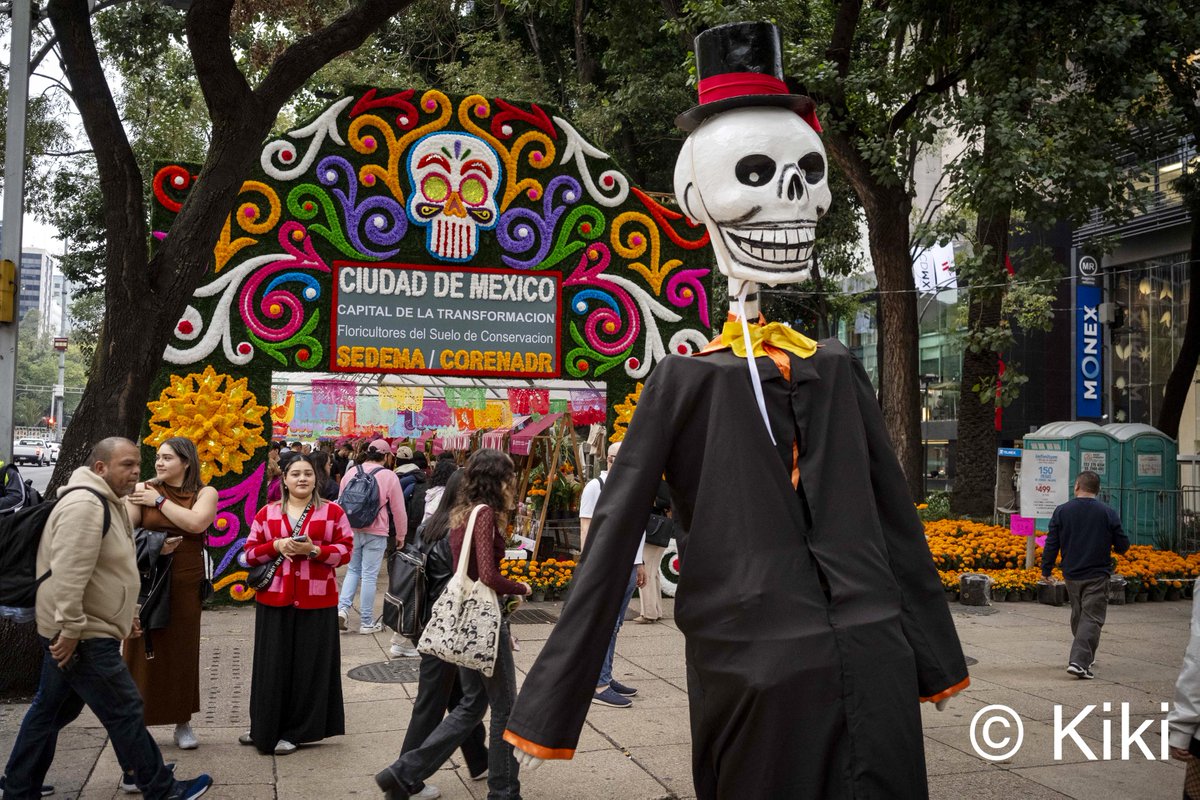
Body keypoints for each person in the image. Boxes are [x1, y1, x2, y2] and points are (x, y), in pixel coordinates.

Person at [504, 23, 968, 799]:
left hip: (858, 670)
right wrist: (554, 701)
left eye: (807, 175)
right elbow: (615, 535)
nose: (795, 199)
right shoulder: (689, 382)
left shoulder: (834, 367)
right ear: (696, 200)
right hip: (763, 679)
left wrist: (929, 651)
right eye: (755, 174)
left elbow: (894, 521)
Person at [0, 437, 212, 800]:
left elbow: (110, 568)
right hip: (82, 632)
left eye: (137, 464)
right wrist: (68, 628)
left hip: (83, 626)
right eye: (127, 465)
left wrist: (127, 612)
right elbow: (68, 572)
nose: (137, 471)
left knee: (51, 709)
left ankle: (18, 786)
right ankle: (160, 788)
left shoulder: (108, 501)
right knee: (125, 707)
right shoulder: (86, 504)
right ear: (101, 468)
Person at [375, 448, 531, 800]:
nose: (513, 479)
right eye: (510, 474)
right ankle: (503, 790)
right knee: (505, 707)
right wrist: (520, 586)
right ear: (498, 479)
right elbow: (488, 575)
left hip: (464, 624)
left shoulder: (462, 513)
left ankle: (404, 772)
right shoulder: (486, 514)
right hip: (482, 625)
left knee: (473, 705)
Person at [241, 453, 354, 755]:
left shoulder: (332, 512)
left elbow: (345, 552)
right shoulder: (267, 514)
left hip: (317, 601)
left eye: (308, 473)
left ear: (317, 479)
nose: (302, 478)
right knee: (271, 666)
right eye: (295, 474)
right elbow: (248, 555)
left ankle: (297, 731)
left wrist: (315, 550)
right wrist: (276, 545)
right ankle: (263, 726)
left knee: (308, 669)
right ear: (285, 480)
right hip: (274, 598)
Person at [392, 471, 489, 798]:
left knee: (461, 696)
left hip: (427, 624)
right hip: (448, 628)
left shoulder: (431, 525)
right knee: (433, 702)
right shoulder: (460, 531)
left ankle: (479, 759)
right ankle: (405, 778)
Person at [123, 437, 219, 758]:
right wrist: (154, 541)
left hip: (184, 581)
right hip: (148, 580)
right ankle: (138, 723)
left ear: (186, 462)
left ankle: (182, 721)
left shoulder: (204, 493)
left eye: (167, 458)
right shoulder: (143, 489)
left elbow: (197, 522)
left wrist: (159, 503)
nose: (159, 463)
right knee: (142, 648)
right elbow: (123, 532)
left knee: (181, 649)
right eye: (158, 457)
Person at [1041, 470, 1130, 679]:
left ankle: (1084, 654)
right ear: (1097, 490)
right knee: (1092, 617)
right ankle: (1079, 662)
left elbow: (1051, 543)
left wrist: (1046, 569)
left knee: (1079, 613)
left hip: (1071, 574)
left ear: (1077, 486)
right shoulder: (1107, 512)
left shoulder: (1062, 511)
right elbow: (1123, 545)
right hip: (1097, 573)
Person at [578, 441, 644, 709]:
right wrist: (589, 568)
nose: (618, 462)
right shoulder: (596, 487)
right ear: (608, 459)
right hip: (606, 566)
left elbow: (638, 528)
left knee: (615, 625)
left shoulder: (633, 486)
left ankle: (604, 675)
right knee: (604, 624)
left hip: (628, 565)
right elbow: (586, 528)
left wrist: (640, 564)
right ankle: (598, 684)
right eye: (615, 457)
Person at [337, 439, 407, 635]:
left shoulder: (351, 472)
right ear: (385, 456)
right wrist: (401, 535)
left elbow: (341, 503)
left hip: (352, 530)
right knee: (369, 575)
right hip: (376, 532)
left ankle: (342, 609)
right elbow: (398, 510)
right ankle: (367, 622)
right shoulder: (389, 476)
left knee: (352, 570)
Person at [634, 480, 673, 624]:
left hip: (651, 532)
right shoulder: (663, 485)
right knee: (653, 572)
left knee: (646, 571)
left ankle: (649, 613)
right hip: (661, 530)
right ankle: (656, 610)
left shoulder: (651, 483)